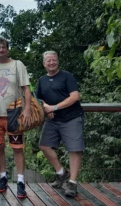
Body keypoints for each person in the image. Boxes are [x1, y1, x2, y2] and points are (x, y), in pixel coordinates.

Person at [36, 50, 84, 197]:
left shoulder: (67, 76)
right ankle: (61, 172)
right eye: (48, 61)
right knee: (44, 146)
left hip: (71, 117)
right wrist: (45, 107)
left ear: (58, 61)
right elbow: (38, 99)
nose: (51, 63)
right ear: (44, 64)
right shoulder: (42, 80)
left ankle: (73, 183)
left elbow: (75, 96)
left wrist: (55, 107)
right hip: (52, 120)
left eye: (54, 60)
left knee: (75, 149)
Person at [0, 37, 31, 198]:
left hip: (14, 114)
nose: (1, 50)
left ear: (7, 49)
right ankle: (3, 177)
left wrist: (26, 109)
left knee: (17, 148)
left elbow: (26, 88)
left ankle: (20, 180)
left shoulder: (17, 64)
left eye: (3, 47)